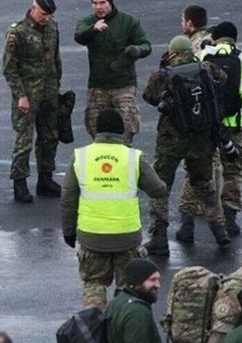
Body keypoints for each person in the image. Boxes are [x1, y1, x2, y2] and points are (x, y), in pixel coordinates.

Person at [61, 109, 166, 309]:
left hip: (91, 238)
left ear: (96, 130)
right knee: (128, 288)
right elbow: (159, 190)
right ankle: (123, 324)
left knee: (94, 284)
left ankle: (93, 328)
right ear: (121, 131)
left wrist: (68, 231)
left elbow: (67, 198)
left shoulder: (81, 157)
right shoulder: (134, 158)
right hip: (127, 238)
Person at [178, 22, 242, 239]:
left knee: (198, 171)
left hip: (207, 125)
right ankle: (230, 219)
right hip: (233, 125)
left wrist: (208, 47)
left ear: (215, 37)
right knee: (233, 171)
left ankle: (187, 222)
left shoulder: (204, 55)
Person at [142, 35, 230, 256]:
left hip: (171, 140)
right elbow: (224, 79)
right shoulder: (207, 68)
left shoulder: (164, 74)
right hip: (202, 138)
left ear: (172, 52)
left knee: (161, 187)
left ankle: (159, 237)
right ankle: (220, 231)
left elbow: (149, 96)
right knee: (203, 184)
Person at [3, 0, 62, 203]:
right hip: (27, 95)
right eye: (43, 14)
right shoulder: (17, 32)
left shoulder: (52, 27)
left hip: (49, 93)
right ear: (33, 8)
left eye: (49, 15)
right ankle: (20, 183)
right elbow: (9, 68)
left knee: (49, 137)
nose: (46, 18)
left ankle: (45, 179)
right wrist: (20, 95)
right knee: (24, 140)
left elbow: (56, 59)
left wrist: (57, 87)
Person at [74, 0, 151, 146]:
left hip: (123, 85)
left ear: (110, 3)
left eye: (102, 3)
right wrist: (94, 30)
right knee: (96, 131)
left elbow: (146, 45)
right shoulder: (88, 22)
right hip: (98, 86)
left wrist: (136, 50)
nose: (98, 7)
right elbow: (79, 37)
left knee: (126, 130)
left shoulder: (128, 22)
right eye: (95, 3)